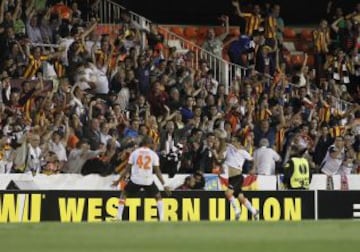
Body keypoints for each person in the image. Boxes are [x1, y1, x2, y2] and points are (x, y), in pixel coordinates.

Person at [116, 136, 170, 221]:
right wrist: (164, 184)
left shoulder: (134, 153)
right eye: (152, 142)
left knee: (124, 194)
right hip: (147, 180)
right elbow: (157, 171)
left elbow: (127, 169)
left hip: (136, 180)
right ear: (149, 144)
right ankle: (162, 218)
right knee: (158, 197)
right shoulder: (153, 154)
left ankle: (119, 217)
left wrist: (118, 180)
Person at [223, 136, 259, 220]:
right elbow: (224, 144)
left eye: (234, 141)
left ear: (239, 143)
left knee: (228, 193)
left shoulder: (243, 152)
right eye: (232, 141)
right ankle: (254, 211)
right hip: (231, 178)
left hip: (238, 177)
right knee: (241, 198)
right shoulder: (229, 148)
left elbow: (253, 160)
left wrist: (253, 169)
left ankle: (237, 211)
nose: (232, 142)